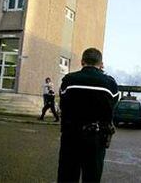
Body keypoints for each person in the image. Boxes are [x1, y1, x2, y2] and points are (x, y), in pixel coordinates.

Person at [57, 48, 120, 182]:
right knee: (92, 176)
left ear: (82, 61)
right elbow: (112, 106)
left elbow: (63, 104)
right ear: (101, 63)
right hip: (96, 137)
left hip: (71, 135)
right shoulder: (110, 83)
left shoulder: (69, 80)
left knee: (67, 175)